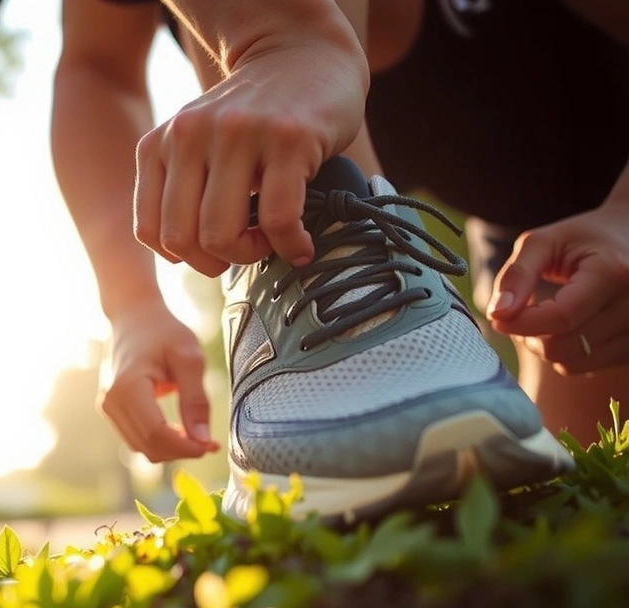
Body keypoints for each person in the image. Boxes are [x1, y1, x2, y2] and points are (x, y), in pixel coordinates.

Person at [50, 0, 629, 521]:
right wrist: (131, 306)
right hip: (523, 215)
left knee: (591, 475)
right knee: (542, 495)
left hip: (607, 137)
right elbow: (98, 68)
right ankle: (350, 278)